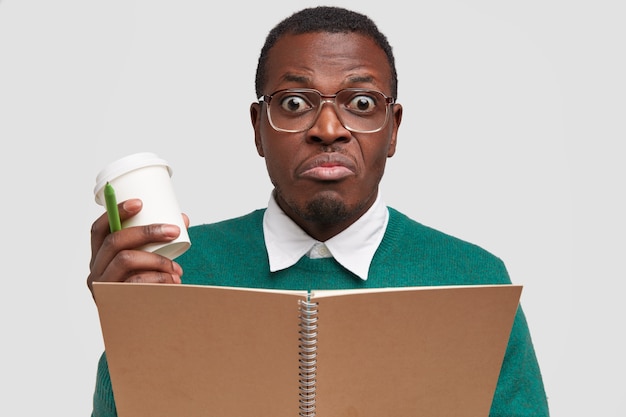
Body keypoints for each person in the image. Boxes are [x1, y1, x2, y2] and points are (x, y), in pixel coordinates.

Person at [87, 6, 550, 417]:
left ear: (392, 130)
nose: (328, 129)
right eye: (294, 103)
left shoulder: (472, 279)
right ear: (257, 129)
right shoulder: (176, 273)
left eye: (362, 103)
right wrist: (128, 329)